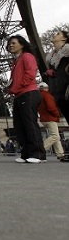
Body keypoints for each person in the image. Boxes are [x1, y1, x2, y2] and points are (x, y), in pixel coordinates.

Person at [7, 35, 45, 163]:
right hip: (20, 94)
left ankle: (38, 154)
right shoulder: (16, 60)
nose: (10, 45)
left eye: (13, 43)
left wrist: (17, 86)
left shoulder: (27, 56)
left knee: (29, 124)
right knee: (20, 125)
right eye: (9, 44)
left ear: (22, 44)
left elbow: (30, 74)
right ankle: (27, 153)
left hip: (28, 93)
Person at [45, 30, 69, 162]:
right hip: (59, 91)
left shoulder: (67, 51)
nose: (54, 34)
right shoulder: (52, 56)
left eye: (58, 33)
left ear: (64, 39)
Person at [38, 82, 64, 159]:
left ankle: (60, 153)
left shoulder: (38, 96)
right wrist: (57, 114)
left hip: (43, 118)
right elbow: (51, 107)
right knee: (55, 136)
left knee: (56, 136)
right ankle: (40, 149)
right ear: (46, 88)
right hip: (50, 118)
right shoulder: (47, 95)